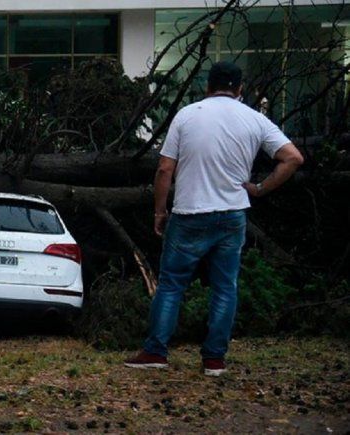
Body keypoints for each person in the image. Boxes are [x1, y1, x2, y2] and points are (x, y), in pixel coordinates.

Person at [124, 62, 304, 376]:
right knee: (224, 287)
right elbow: (293, 158)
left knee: (171, 286)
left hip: (190, 213)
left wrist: (159, 211)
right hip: (232, 214)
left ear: (208, 87)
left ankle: (155, 351)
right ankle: (214, 360)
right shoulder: (255, 119)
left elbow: (165, 169)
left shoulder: (187, 115)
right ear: (239, 89)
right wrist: (260, 189)